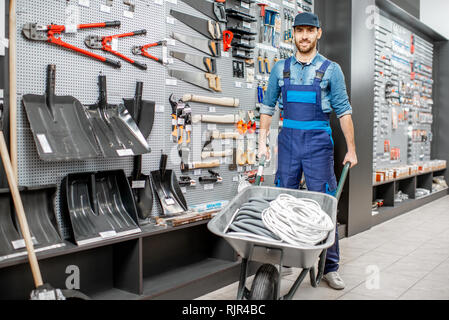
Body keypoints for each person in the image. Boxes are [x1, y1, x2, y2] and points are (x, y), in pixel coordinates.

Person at [258, 12, 358, 290]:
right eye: (299, 30)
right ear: (293, 34)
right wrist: (262, 142)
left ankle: (330, 267)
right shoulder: (280, 68)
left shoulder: (331, 69)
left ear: (318, 33)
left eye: (309, 31)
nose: (304, 36)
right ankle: (283, 258)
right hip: (288, 142)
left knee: (326, 203)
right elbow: (267, 108)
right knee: (282, 201)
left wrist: (352, 149)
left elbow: (344, 111)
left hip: (318, 144)